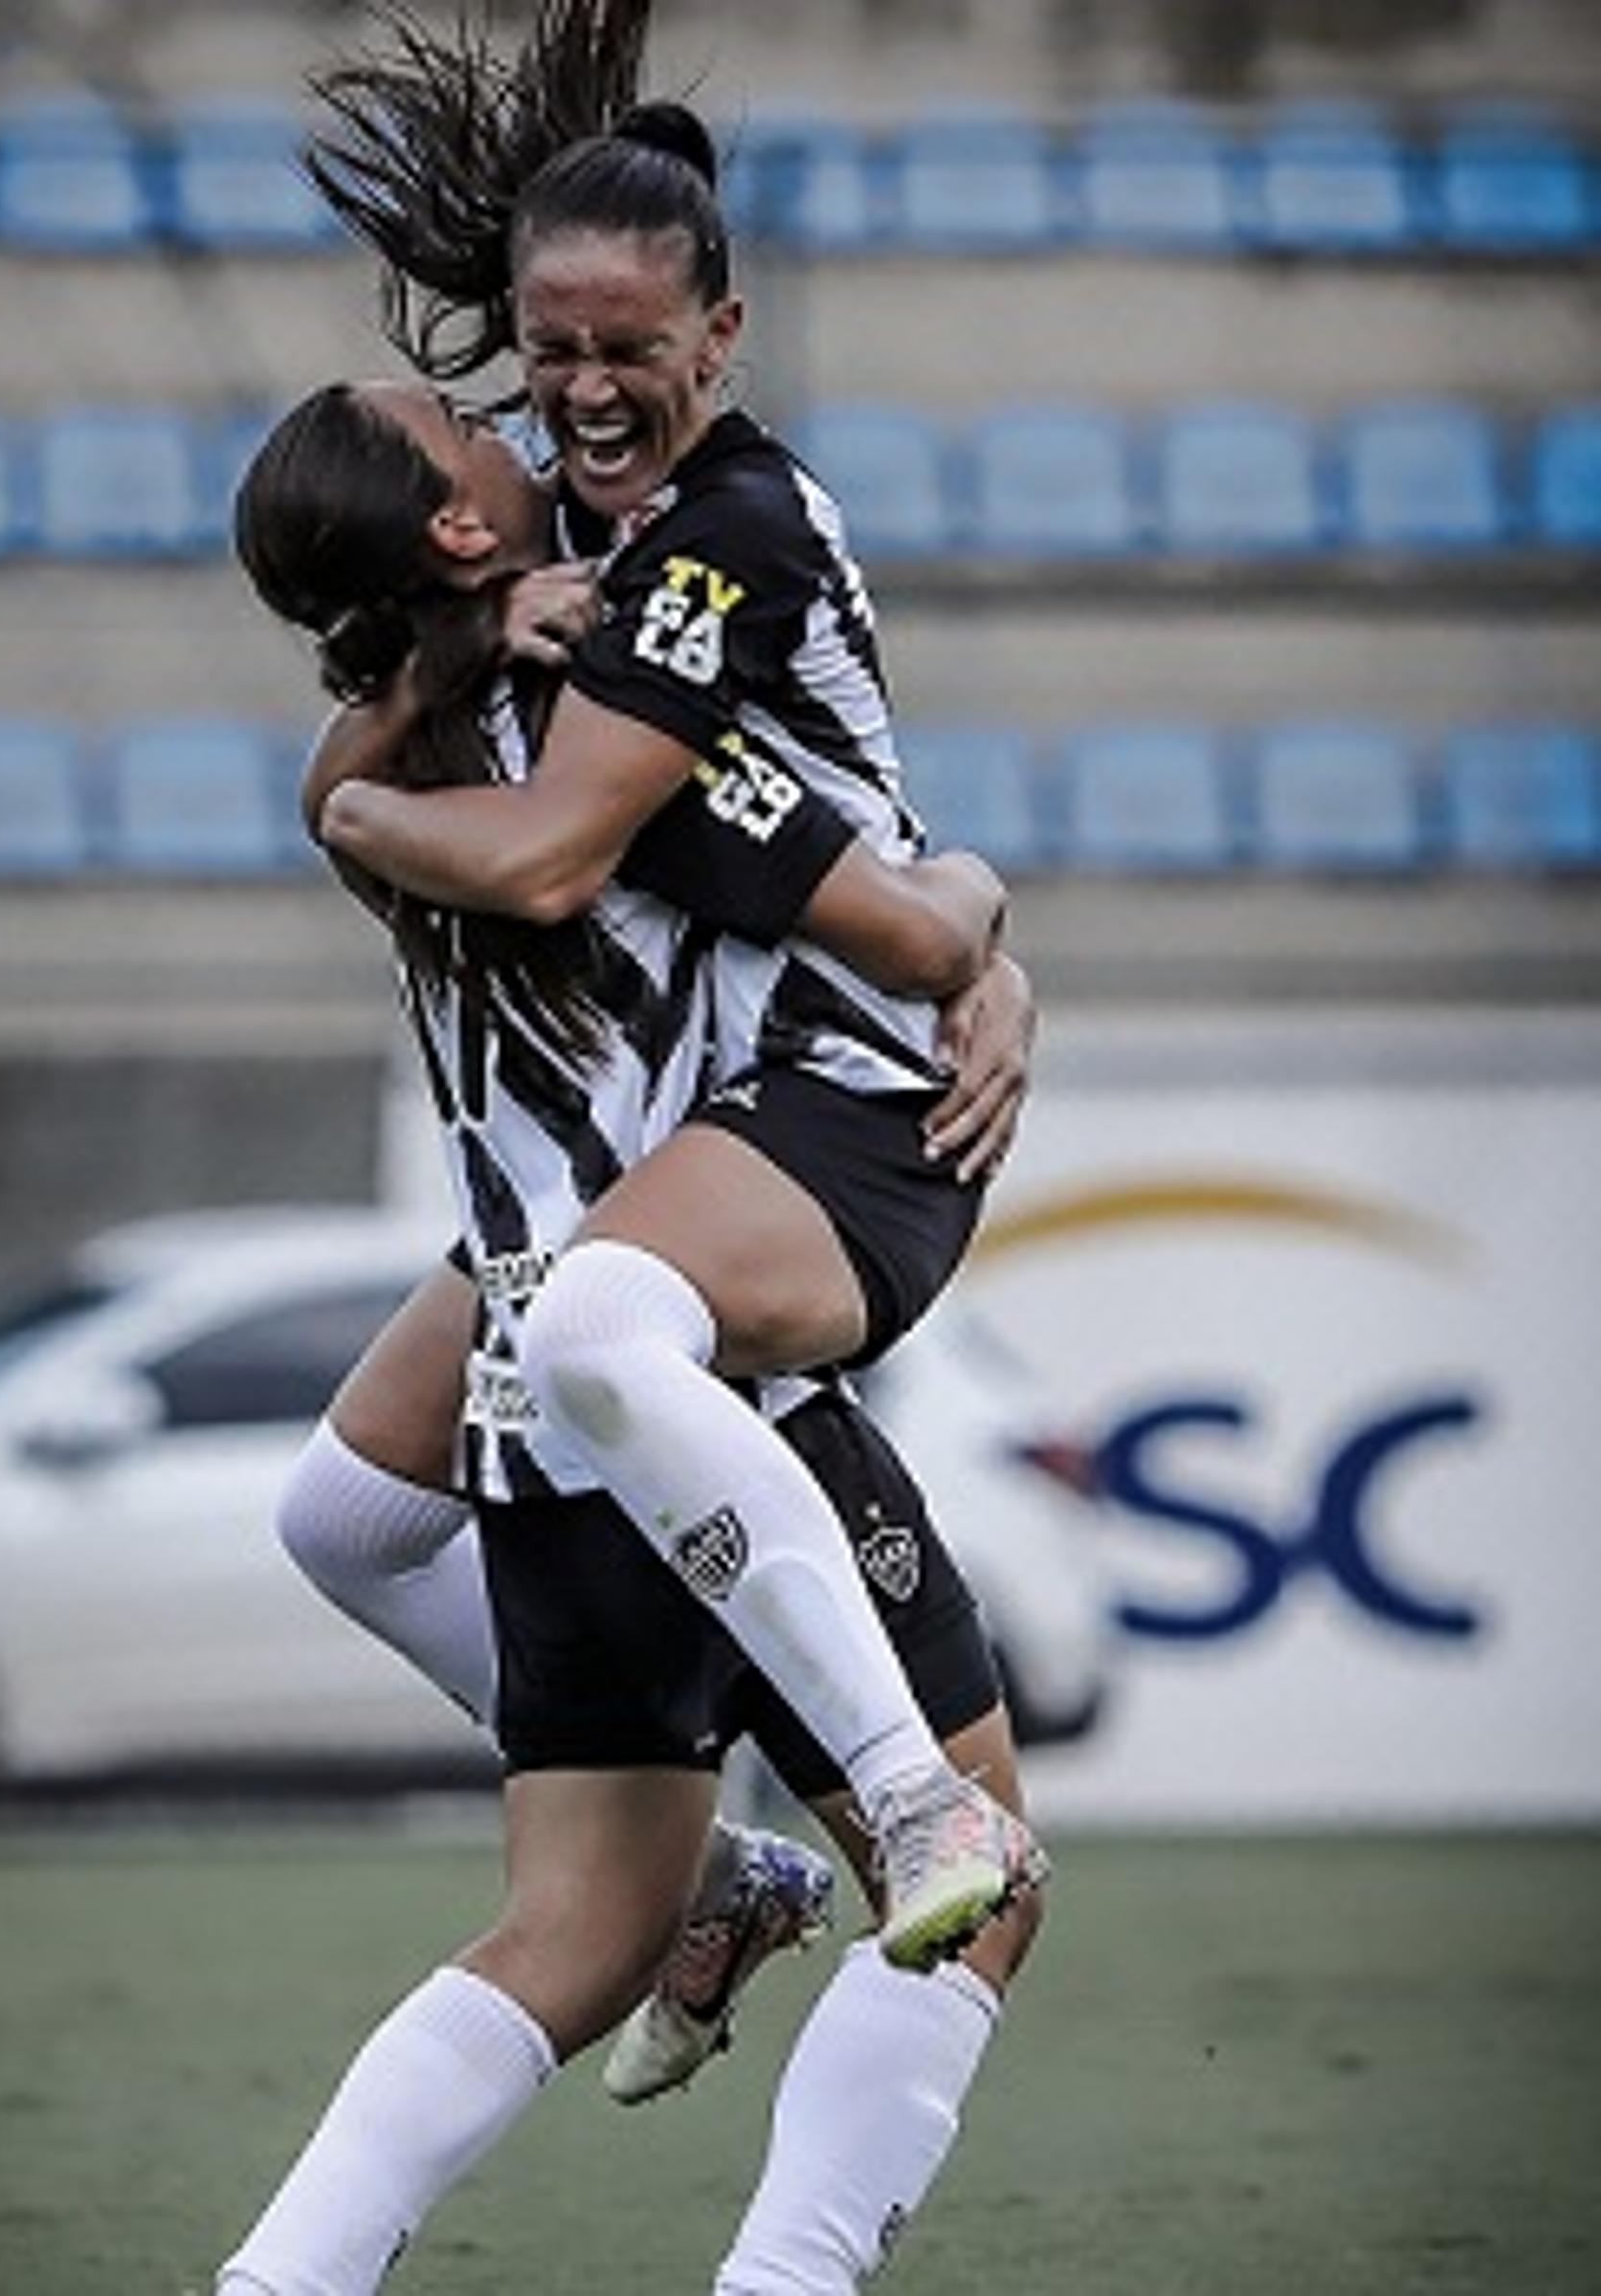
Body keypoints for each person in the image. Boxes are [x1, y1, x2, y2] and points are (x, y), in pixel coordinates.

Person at [218, 392, 1044, 2296]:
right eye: (461, 428)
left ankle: (279, 2282)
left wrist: (382, 740)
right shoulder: (633, 743)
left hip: (531, 1415)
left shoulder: (389, 783)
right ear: (450, 532)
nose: (514, 421)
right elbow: (909, 921)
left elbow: (349, 797)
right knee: (987, 1879)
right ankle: (788, 2258)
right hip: (700, 1391)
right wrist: (991, 948)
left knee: (558, 1927)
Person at [277, 18, 1039, 1975]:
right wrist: (434, 670)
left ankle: (871, 1797)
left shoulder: (712, 555)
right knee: (346, 1516)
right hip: (621, 1156)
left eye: (627, 353)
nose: (579, 401)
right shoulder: (538, 548)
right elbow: (348, 784)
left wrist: (979, 943)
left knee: (618, 1336)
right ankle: (714, 1868)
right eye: (548, 363)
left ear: (722, 334)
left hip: (781, 1124)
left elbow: (862, 905)